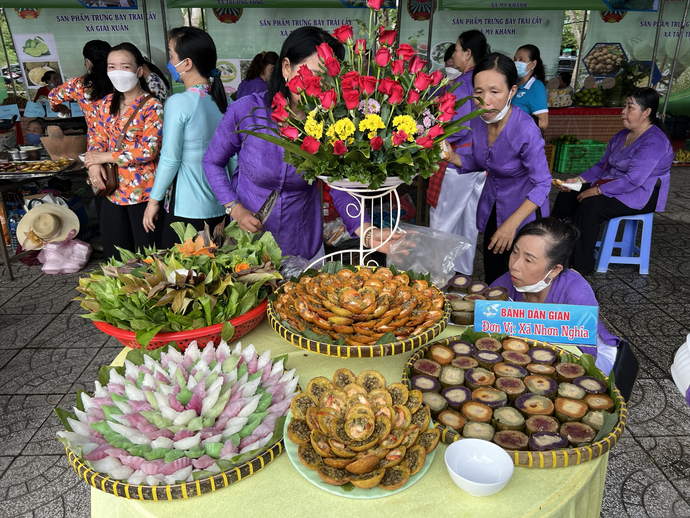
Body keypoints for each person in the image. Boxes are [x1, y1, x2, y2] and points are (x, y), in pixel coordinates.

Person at [202, 26, 400, 261]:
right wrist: (235, 208)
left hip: (303, 241)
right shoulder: (247, 112)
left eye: (328, 79)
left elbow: (339, 183)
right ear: (286, 67)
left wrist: (364, 229)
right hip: (249, 242)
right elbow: (212, 162)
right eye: (313, 76)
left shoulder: (330, 124)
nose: (320, 87)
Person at [445, 53, 552, 285]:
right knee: (496, 277)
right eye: (478, 92)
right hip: (494, 205)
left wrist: (511, 225)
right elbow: (480, 162)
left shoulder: (525, 129)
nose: (485, 101)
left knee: (522, 280)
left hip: (525, 213)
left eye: (495, 92)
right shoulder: (477, 121)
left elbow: (543, 183)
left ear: (512, 92)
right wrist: (451, 156)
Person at [551, 87, 672, 274]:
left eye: (630, 107)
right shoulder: (623, 135)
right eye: (624, 106)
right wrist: (578, 180)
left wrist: (596, 191)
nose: (623, 111)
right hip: (611, 184)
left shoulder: (654, 141)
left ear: (646, 112)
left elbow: (634, 180)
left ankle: (580, 266)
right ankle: (555, 250)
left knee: (590, 207)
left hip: (641, 195)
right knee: (567, 194)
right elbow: (602, 166)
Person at [492, 218, 622, 375]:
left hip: (587, 354)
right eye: (514, 252)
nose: (514, 265)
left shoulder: (576, 295)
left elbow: (585, 359)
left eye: (528, 260)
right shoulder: (504, 283)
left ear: (554, 270)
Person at [143, 27, 232, 248]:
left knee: (185, 276)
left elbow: (170, 158)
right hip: (224, 203)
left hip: (188, 208)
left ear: (187, 63)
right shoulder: (226, 100)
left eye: (172, 55)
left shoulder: (179, 102)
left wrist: (154, 200)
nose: (170, 61)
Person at [84, 42, 164, 260]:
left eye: (125, 67)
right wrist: (93, 166)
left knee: (148, 254)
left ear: (139, 71)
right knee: (115, 252)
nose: (117, 72)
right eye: (112, 66)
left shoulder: (152, 106)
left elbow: (149, 150)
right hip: (111, 191)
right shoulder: (104, 104)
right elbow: (96, 138)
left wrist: (106, 157)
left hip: (143, 193)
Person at [429, 30, 490, 276]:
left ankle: (436, 275)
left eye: (456, 49)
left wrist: (433, 136)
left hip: (457, 161)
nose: (453, 55)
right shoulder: (484, 81)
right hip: (479, 162)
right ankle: (463, 273)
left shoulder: (464, 84)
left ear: (467, 53)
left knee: (442, 220)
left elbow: (456, 126)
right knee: (468, 222)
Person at [48, 40, 112, 130]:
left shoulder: (78, 85)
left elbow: (52, 97)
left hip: (97, 141)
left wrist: (59, 108)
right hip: (125, 139)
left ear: (88, 62)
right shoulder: (121, 82)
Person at [513, 44, 548, 131]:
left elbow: (543, 123)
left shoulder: (536, 87)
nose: (517, 63)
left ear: (533, 64)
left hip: (521, 138)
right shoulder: (514, 83)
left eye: (521, 60)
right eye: (515, 60)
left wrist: (515, 121)